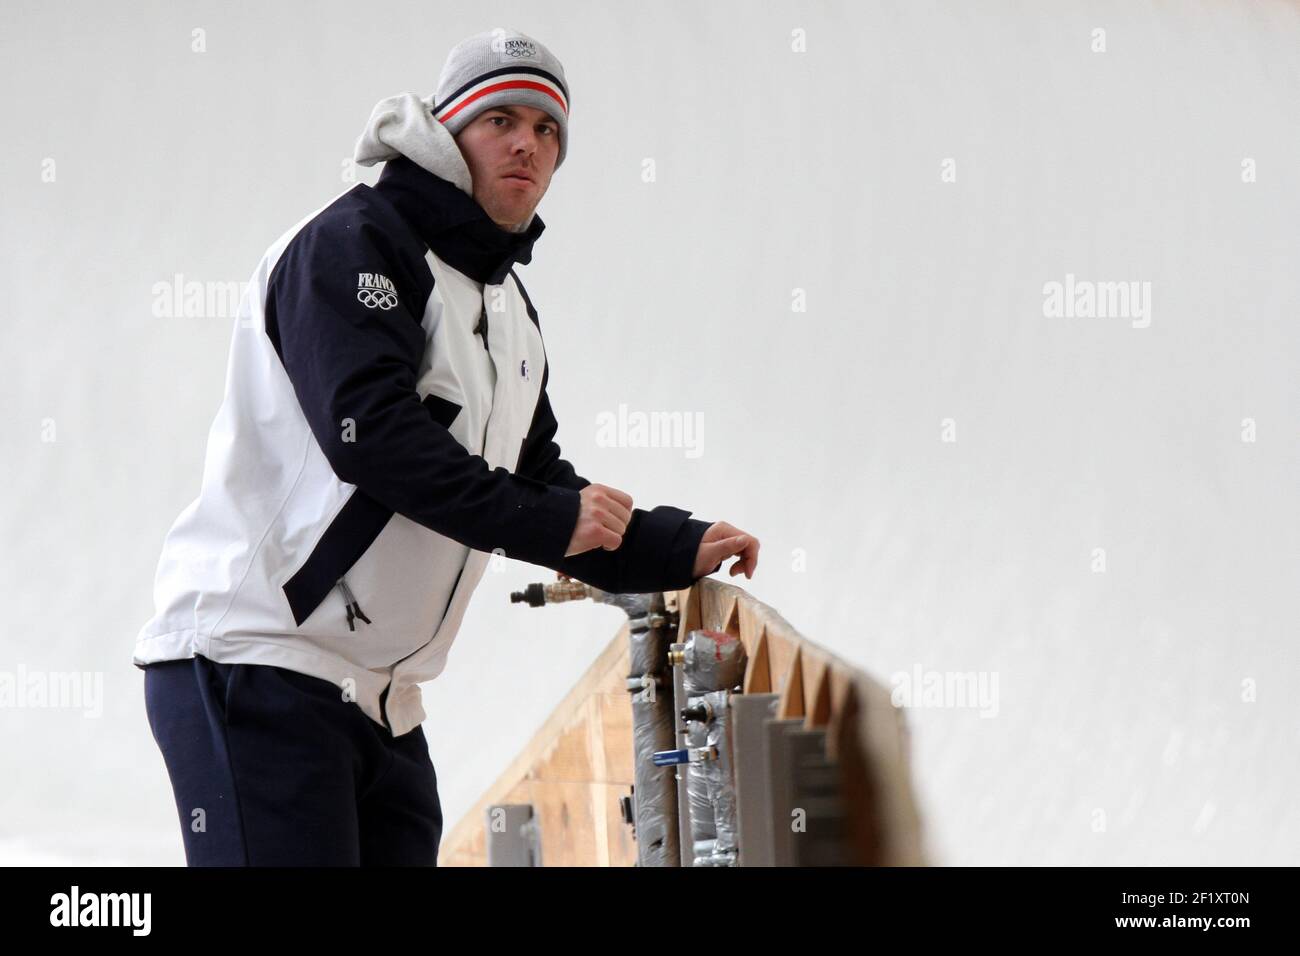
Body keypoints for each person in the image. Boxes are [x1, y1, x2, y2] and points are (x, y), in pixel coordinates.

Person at [135, 28, 760, 866]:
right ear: (446, 129)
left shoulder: (510, 310)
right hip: (257, 661)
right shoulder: (354, 244)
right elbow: (373, 437)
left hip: (387, 699)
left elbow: (537, 479)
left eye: (547, 132)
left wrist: (670, 546)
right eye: (500, 118)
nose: (526, 144)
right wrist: (548, 520)